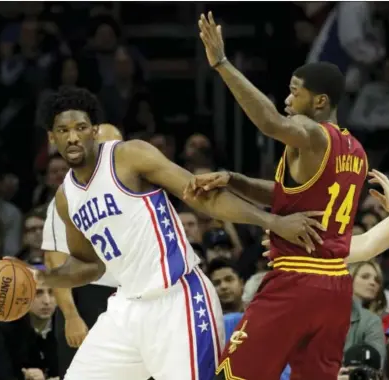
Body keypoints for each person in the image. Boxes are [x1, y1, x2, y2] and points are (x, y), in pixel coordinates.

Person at [28, 86, 324, 380]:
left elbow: (203, 196)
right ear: (52, 138)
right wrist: (41, 277)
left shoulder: (129, 156)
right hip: (125, 308)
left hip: (177, 299)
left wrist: (272, 222)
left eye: (81, 127)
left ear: (94, 130)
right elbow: (88, 264)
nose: (73, 137)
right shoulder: (66, 197)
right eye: (63, 130)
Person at [195, 11, 368, 380]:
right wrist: (236, 180)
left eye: (294, 92)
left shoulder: (312, 132)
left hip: (296, 282)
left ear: (319, 102)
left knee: (233, 375)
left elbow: (271, 122)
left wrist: (222, 64)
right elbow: (290, 196)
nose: (288, 100)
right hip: (336, 287)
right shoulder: (355, 150)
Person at [43, 123, 122, 379]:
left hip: (131, 298)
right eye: (103, 147)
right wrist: (71, 316)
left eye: (116, 147)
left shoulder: (137, 191)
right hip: (86, 298)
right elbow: (56, 260)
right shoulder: (68, 195)